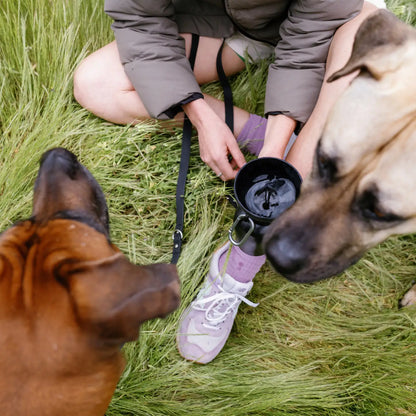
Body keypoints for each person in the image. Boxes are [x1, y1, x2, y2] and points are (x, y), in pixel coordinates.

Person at [74, 0, 387, 364]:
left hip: (330, 25)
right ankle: (263, 137)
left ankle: (236, 268)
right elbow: (139, 18)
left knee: (372, 35)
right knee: (95, 83)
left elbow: (310, 34)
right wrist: (200, 115)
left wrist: (274, 146)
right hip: (230, 26)